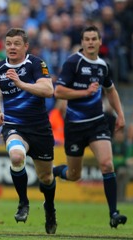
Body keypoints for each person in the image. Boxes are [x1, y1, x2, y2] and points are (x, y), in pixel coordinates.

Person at [52, 25, 127, 228]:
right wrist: (84, 93)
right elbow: (58, 92)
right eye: (87, 39)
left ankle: (113, 213)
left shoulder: (103, 65)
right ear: (83, 42)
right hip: (75, 127)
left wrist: (120, 114)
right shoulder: (73, 63)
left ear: (100, 42)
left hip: (97, 124)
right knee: (74, 175)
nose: (91, 42)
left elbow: (110, 91)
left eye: (94, 38)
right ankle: (53, 172)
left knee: (107, 164)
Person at [0, 28, 57, 234]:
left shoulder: (36, 64)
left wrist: (20, 83)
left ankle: (50, 208)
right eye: (8, 43)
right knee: (16, 157)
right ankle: (23, 202)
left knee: (46, 178)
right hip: (15, 126)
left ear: (25, 46)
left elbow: (48, 90)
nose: (12, 47)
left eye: (17, 43)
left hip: (40, 129)